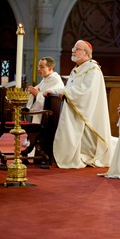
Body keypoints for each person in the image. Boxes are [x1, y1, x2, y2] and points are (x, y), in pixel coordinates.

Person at [44, 40, 112, 169]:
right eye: (73, 48)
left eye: (76, 49)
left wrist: (67, 93)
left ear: (86, 53)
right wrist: (54, 91)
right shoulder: (78, 69)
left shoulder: (93, 69)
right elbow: (70, 88)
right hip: (77, 111)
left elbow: (86, 91)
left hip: (88, 115)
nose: (73, 51)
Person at [23, 56, 65, 147]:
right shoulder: (45, 79)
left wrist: (37, 95)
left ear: (50, 68)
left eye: (42, 67)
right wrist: (33, 92)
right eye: (38, 66)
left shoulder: (56, 80)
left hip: (50, 116)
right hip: (41, 113)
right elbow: (39, 93)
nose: (38, 69)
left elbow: (53, 99)